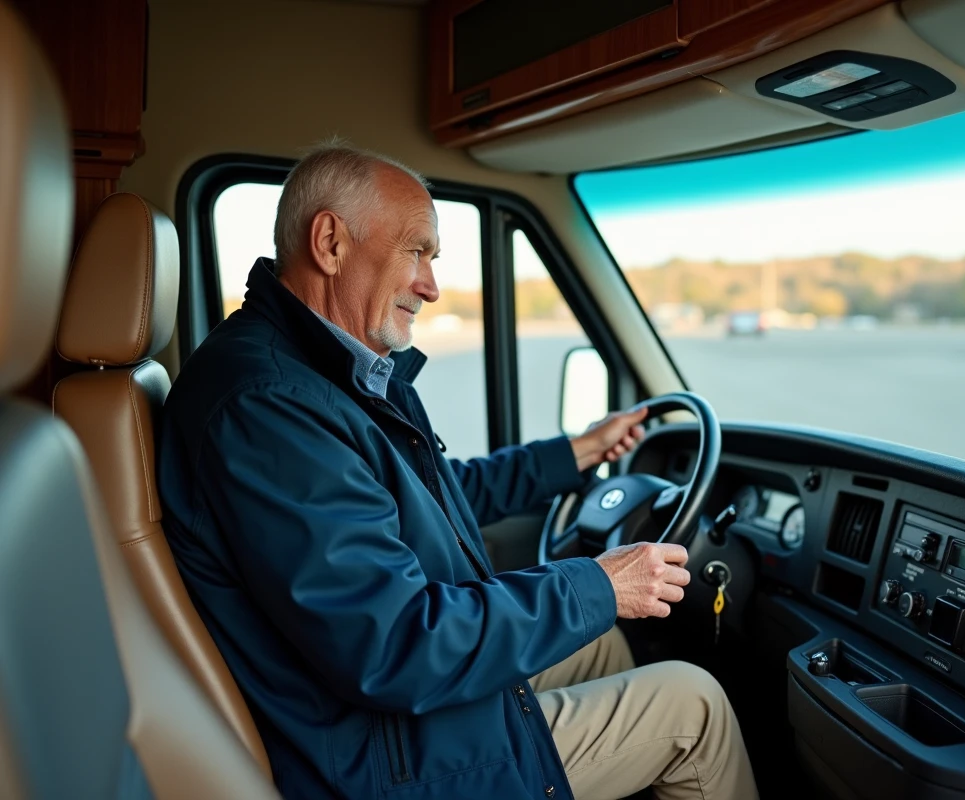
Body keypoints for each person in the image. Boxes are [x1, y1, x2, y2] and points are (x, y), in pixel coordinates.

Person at [158, 143, 758, 800]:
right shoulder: (270, 408)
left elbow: (436, 496)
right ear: (330, 242)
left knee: (603, 644)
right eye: (415, 251)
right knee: (694, 707)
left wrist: (578, 452)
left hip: (385, 721)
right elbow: (392, 645)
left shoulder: (323, 377)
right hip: (382, 760)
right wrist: (595, 585)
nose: (431, 286)